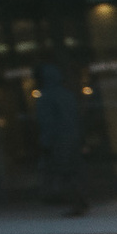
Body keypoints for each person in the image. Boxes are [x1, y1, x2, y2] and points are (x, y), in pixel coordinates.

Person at [33, 62, 87, 217]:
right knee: (73, 171)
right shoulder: (68, 95)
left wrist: (46, 142)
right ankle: (80, 201)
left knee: (63, 173)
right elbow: (77, 117)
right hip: (72, 138)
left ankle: (75, 204)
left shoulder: (46, 97)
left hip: (58, 140)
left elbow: (47, 122)